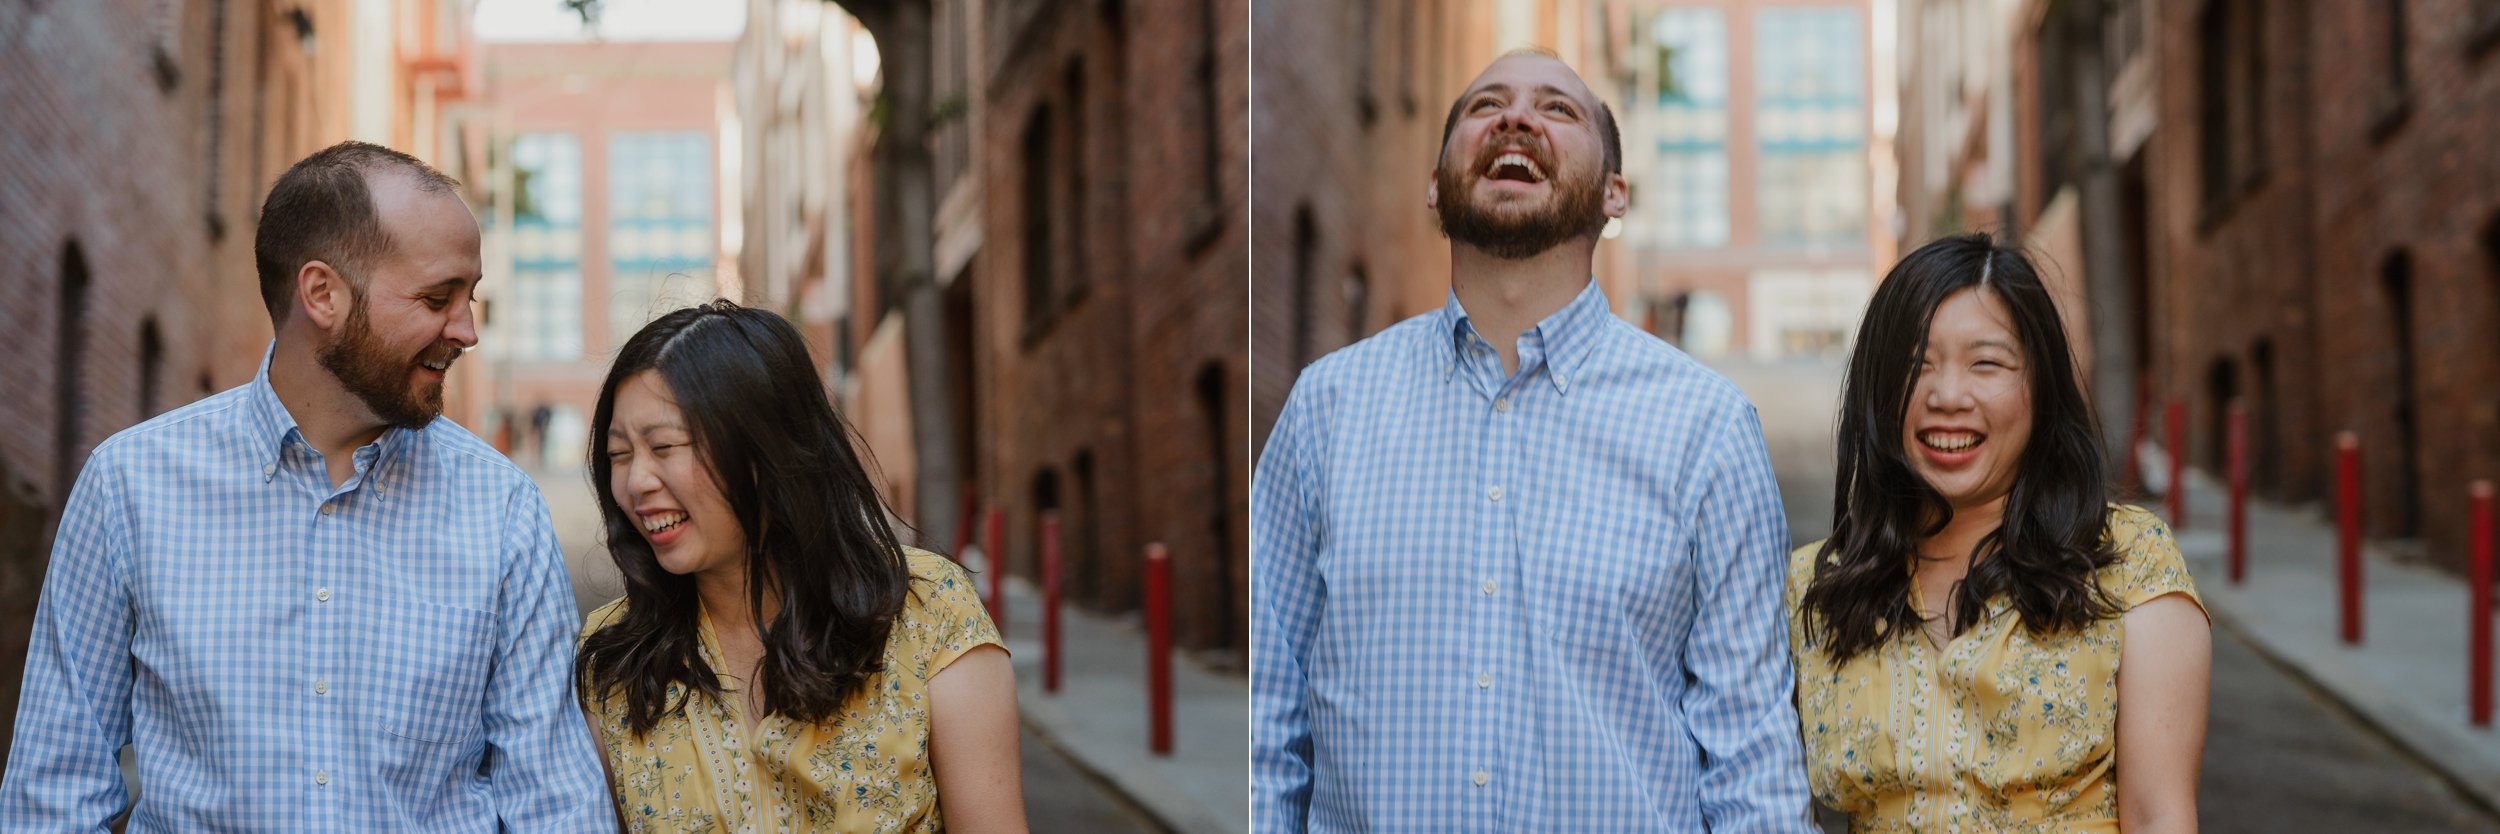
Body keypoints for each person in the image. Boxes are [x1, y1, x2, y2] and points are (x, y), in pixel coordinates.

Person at [1251, 50, 1816, 832]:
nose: (1515, 118)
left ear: (1615, 194)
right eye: (1486, 105)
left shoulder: (1706, 429)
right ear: (1436, 185)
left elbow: (1750, 752)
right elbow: (1266, 725)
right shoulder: (1327, 410)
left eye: (1558, 109)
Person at [0, 141, 614, 830]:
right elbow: (53, 790)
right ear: (322, 293)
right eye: (437, 298)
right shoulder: (129, 488)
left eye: (469, 299)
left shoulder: (501, 509)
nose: (466, 331)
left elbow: (556, 803)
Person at [1787, 233, 2211, 833]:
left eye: (1987, 363)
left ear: (2039, 388)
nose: (1947, 396)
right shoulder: (1816, 586)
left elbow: (2160, 819)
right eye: (1915, 366)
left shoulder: (2128, 563)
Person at [576, 301, 1026, 833]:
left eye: (664, 446)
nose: (636, 483)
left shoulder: (927, 612)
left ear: (765, 450)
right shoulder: (615, 655)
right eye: (619, 454)